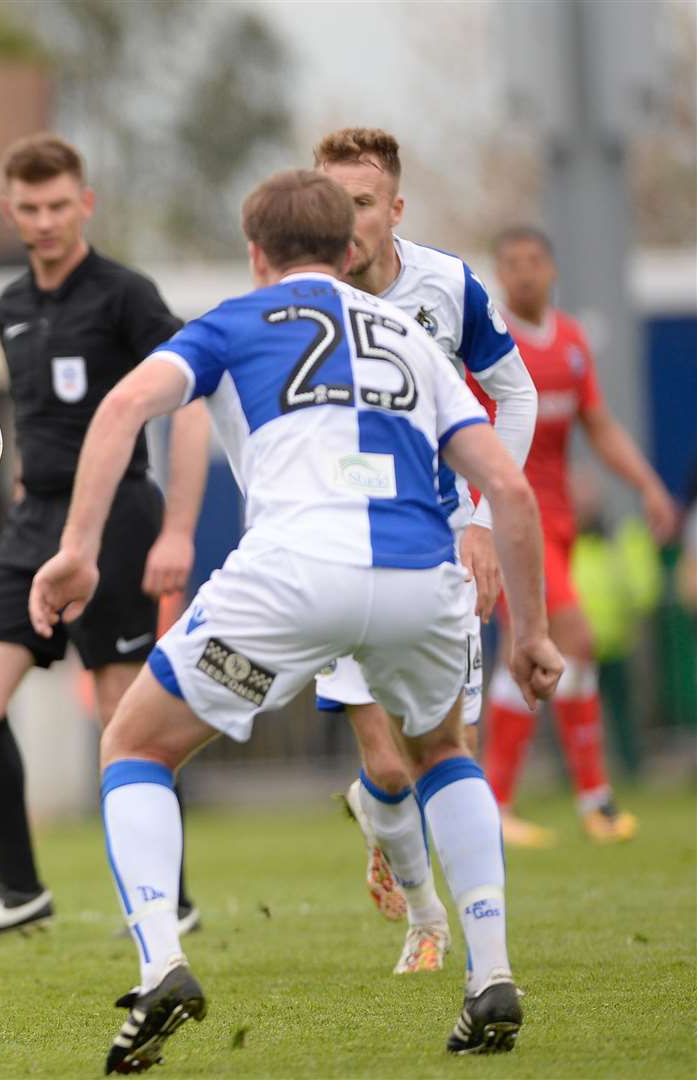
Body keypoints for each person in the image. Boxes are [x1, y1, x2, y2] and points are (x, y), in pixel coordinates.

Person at [29, 169, 561, 1070]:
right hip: (417, 580)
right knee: (442, 753)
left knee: (135, 747)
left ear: (254, 253)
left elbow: (123, 407)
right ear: (349, 250)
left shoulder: (234, 321)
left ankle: (162, 963)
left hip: (291, 580)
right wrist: (535, 632)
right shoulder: (409, 334)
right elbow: (506, 484)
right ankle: (492, 975)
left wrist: (77, 549)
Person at [165, 128, 539, 974]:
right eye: (333, 206)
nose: (348, 222)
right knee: (389, 763)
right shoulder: (282, 310)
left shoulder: (446, 288)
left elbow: (514, 394)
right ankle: (424, 917)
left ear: (392, 208)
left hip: (430, 548)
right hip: (324, 547)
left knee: (440, 756)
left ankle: (474, 945)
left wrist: (478, 517)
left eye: (361, 204)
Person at [0, 134, 210, 940]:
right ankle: (19, 890)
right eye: (29, 208)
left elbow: (189, 402)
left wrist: (178, 531)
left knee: (125, 712)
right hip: (33, 521)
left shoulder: (125, 294)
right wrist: (19, 489)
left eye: (59, 205)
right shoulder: (10, 305)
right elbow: (37, 419)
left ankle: (171, 900)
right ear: (8, 210)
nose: (45, 220)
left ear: (84, 203)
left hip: (119, 516)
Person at [479, 225, 679, 845]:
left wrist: (646, 483)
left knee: (547, 649)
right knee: (573, 637)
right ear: (499, 274)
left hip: (557, 521)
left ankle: (534, 801)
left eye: (534, 261)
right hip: (510, 521)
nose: (523, 273)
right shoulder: (489, 343)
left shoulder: (569, 342)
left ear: (553, 269)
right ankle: (571, 799)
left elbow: (599, 424)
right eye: (510, 264)